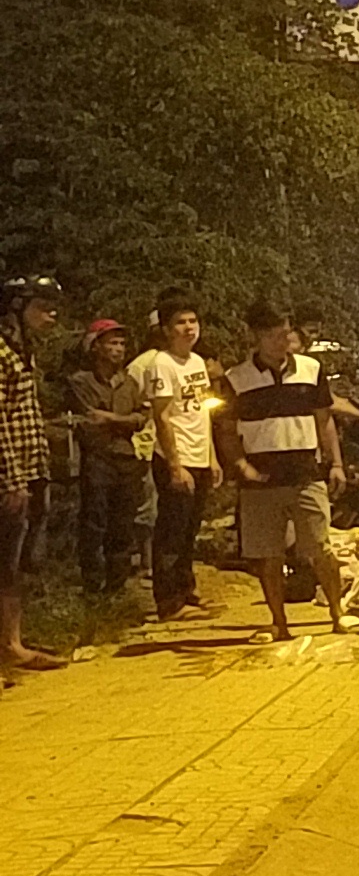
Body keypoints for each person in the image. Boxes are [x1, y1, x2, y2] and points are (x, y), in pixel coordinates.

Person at [217, 301, 359, 642]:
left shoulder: (311, 370)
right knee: (267, 555)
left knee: (320, 547)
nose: (280, 341)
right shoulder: (237, 379)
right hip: (261, 479)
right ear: (256, 337)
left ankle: (338, 613)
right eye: (271, 335)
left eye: (285, 333)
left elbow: (323, 419)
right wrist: (241, 465)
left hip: (305, 473)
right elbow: (226, 429)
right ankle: (278, 622)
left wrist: (336, 463)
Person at [138, 290, 219, 620]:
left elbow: (204, 410)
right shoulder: (161, 364)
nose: (189, 328)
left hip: (199, 454)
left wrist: (212, 457)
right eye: (180, 322)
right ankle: (168, 601)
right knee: (172, 529)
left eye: (193, 321)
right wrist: (175, 465)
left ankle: (187, 590)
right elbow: (162, 416)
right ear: (167, 329)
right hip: (176, 456)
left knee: (190, 529)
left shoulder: (198, 362)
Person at [0, 276, 66, 670]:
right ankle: (10, 645)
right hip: (11, 475)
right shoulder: (2, 353)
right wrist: (12, 479)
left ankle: (13, 642)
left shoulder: (24, 352)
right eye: (43, 306)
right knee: (5, 561)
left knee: (18, 561)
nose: (52, 314)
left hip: (30, 468)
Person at [65, 319, 148, 598]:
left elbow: (141, 419)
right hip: (97, 459)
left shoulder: (130, 382)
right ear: (95, 346)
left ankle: (116, 588)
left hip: (126, 458)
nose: (119, 349)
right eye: (112, 342)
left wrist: (113, 418)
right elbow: (90, 419)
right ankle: (92, 586)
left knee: (123, 524)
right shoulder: (80, 381)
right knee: (94, 523)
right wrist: (125, 421)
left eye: (122, 343)